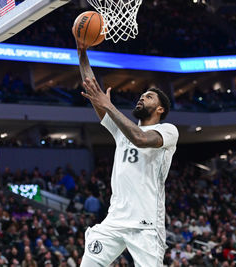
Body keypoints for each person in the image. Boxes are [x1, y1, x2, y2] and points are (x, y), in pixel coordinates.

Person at [76, 45, 179, 267]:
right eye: (141, 96)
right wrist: (82, 53)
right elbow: (93, 89)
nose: (142, 98)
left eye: (149, 97)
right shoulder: (122, 131)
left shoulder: (168, 131)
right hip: (115, 220)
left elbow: (140, 138)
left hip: (146, 224)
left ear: (160, 109)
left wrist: (109, 105)